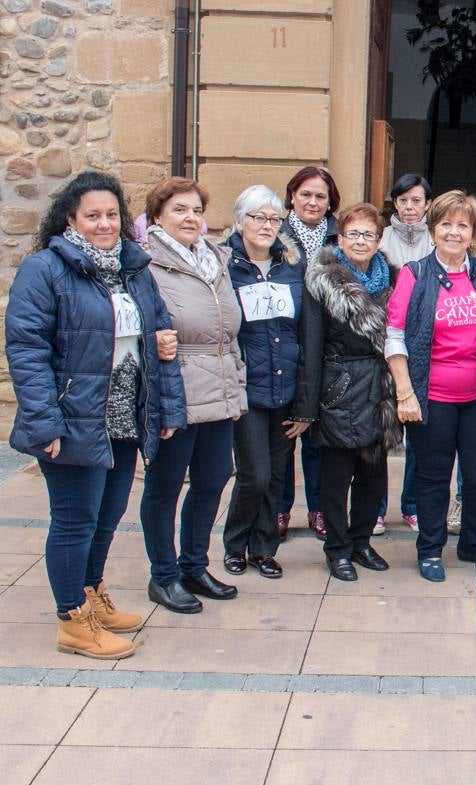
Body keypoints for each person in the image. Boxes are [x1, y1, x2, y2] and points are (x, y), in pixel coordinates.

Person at [6, 170, 186, 659]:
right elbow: (27, 351)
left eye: (112, 215)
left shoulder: (133, 269)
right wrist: (45, 423)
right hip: (73, 418)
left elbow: (159, 335)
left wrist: (165, 391)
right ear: (71, 219)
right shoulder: (44, 269)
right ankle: (71, 619)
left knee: (107, 518)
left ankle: (91, 595)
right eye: (93, 216)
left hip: (123, 417)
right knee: (74, 521)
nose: (104, 224)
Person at [140, 177, 247, 614]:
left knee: (213, 479)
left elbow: (228, 330)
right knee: (165, 487)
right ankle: (163, 576)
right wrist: (155, 341)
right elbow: (137, 322)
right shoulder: (145, 264)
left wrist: (236, 385)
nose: (191, 217)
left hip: (219, 388)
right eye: (180, 209)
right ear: (157, 217)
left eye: (197, 210)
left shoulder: (216, 259)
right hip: (176, 390)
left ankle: (194, 565)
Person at [387, 191, 476, 582]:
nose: (454, 232)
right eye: (446, 225)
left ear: (474, 233)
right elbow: (395, 335)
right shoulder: (415, 274)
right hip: (432, 397)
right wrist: (406, 391)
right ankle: (431, 548)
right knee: (434, 476)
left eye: (463, 225)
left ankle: (474, 543)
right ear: (433, 229)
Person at [292, 202, 401, 582]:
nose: (360, 240)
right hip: (338, 387)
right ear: (340, 238)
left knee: (373, 477)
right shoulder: (322, 280)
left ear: (379, 239)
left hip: (379, 387)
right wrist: (307, 406)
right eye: (353, 233)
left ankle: (361, 542)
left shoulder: (392, 277)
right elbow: (311, 343)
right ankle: (337, 548)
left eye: (368, 234)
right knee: (336, 479)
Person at [220, 185, 302, 580]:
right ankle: (235, 544)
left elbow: (302, 330)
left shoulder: (291, 270)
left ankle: (264, 548)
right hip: (247, 387)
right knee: (255, 473)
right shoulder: (224, 267)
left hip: (286, 388)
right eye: (259, 217)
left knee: (279, 474)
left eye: (274, 219)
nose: (268, 225)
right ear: (240, 221)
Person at [277, 166, 341, 541]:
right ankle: (281, 509)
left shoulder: (338, 237)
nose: (313, 202)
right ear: (292, 197)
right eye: (306, 194)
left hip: (326, 347)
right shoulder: (277, 235)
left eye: (320, 196)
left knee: (318, 439)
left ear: (330, 201)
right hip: (284, 343)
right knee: (284, 438)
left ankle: (318, 508)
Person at [377, 173, 436, 535]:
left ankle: (412, 504)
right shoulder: (381, 241)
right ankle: (377, 508)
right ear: (395, 204)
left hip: (428, 345)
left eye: (416, 200)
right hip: (386, 341)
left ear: (428, 203)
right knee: (383, 432)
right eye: (403, 201)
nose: (410, 207)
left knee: (420, 435)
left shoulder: (437, 239)